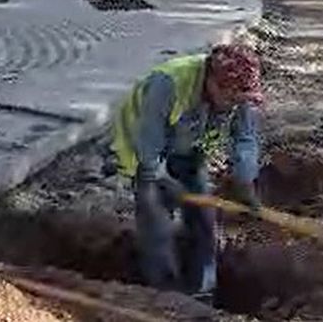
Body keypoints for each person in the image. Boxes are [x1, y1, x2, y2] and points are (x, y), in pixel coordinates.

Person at [111, 43, 264, 303]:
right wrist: (162, 180)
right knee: (158, 225)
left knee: (204, 221)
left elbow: (245, 140)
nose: (232, 106)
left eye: (239, 101)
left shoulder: (240, 95)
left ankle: (203, 293)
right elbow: (148, 145)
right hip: (145, 152)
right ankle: (167, 299)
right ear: (211, 82)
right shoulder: (167, 84)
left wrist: (245, 182)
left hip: (189, 149)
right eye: (229, 98)